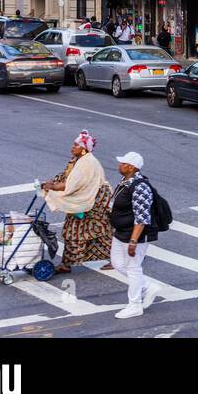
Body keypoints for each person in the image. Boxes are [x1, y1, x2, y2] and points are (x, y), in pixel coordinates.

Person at [39, 130, 112, 274]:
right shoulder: (76, 160)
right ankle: (66, 264)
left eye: (76, 145)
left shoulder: (87, 162)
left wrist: (52, 187)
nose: (72, 147)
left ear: (84, 149)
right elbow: (65, 176)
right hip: (85, 200)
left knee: (98, 231)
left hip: (93, 202)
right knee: (75, 231)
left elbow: (71, 185)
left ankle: (116, 259)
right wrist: (51, 183)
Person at [109, 151, 160, 319]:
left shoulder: (140, 187)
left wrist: (133, 241)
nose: (119, 165)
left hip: (135, 234)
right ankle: (148, 286)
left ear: (131, 167)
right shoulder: (126, 181)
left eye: (122, 163)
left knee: (133, 268)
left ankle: (135, 305)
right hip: (121, 232)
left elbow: (142, 217)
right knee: (117, 264)